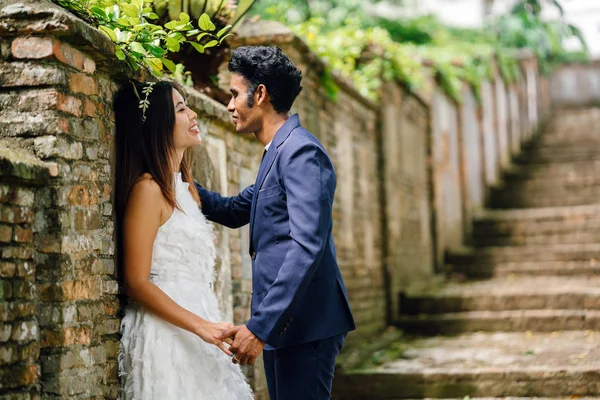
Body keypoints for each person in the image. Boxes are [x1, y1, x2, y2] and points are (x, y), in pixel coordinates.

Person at [195, 46, 356, 400]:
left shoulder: (300, 152)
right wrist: (180, 182)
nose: (229, 105)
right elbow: (234, 209)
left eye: (235, 94)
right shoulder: (277, 153)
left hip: (306, 327)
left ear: (261, 94)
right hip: (286, 327)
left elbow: (306, 247)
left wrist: (260, 326)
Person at [113, 80, 253, 399]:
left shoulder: (187, 190)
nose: (193, 114)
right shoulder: (148, 190)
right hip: (167, 331)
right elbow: (135, 282)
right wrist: (200, 326)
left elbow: (233, 210)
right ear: (158, 125)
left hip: (202, 324)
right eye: (181, 108)